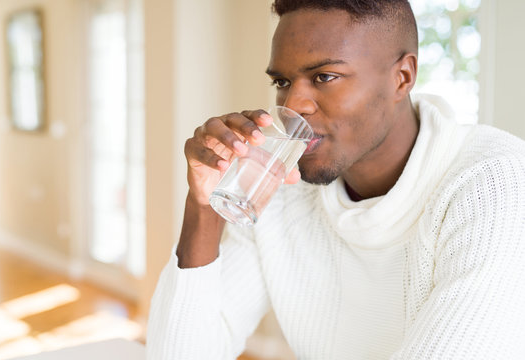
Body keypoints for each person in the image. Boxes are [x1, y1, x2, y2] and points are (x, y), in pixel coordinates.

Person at [146, 0, 525, 359]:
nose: (293, 106)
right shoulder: (277, 190)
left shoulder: (494, 182)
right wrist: (204, 206)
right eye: (282, 81)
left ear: (402, 77)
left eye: (324, 76)